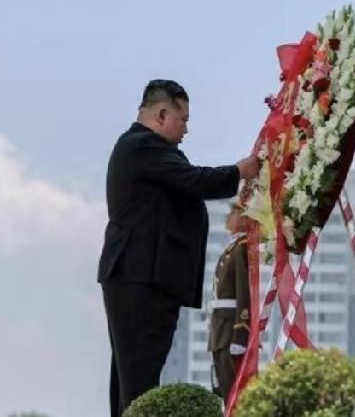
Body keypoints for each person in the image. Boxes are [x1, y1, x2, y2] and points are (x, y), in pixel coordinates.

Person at [97, 79, 261, 417]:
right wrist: (240, 171)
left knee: (132, 375)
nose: (186, 128)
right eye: (182, 118)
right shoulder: (142, 147)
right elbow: (194, 181)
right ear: (161, 114)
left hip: (142, 276)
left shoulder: (145, 149)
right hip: (141, 276)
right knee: (138, 378)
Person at [208, 202, 252, 401]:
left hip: (230, 330)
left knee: (234, 394)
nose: (228, 216)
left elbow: (244, 293)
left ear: (245, 218)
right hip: (220, 329)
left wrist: (241, 334)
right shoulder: (231, 249)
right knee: (226, 391)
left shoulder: (242, 248)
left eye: (234, 212)